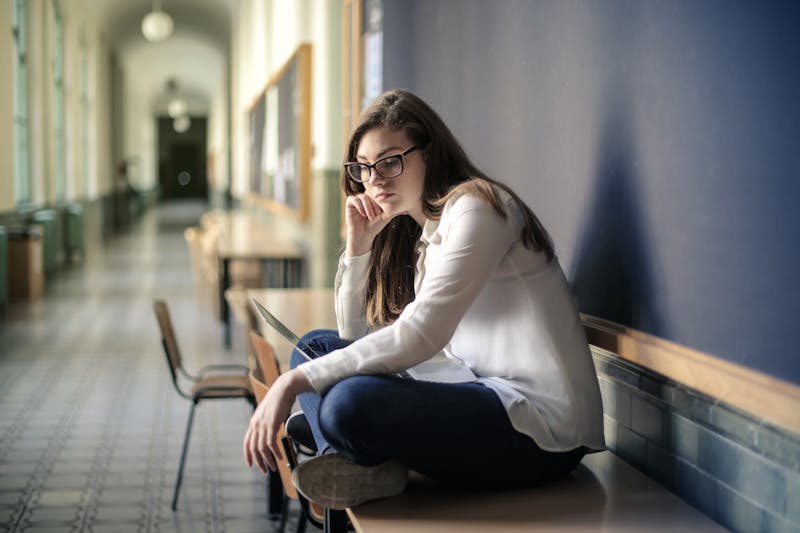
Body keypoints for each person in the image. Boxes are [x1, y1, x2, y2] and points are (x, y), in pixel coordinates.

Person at [243, 89, 605, 510]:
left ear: (430, 153)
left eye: (391, 161)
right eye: (363, 168)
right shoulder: (429, 236)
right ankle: (357, 463)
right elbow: (353, 337)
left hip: (541, 430)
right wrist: (358, 247)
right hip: (478, 391)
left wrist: (291, 385)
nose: (375, 179)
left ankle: (351, 455)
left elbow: (422, 334)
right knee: (314, 351)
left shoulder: (479, 209)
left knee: (345, 401)